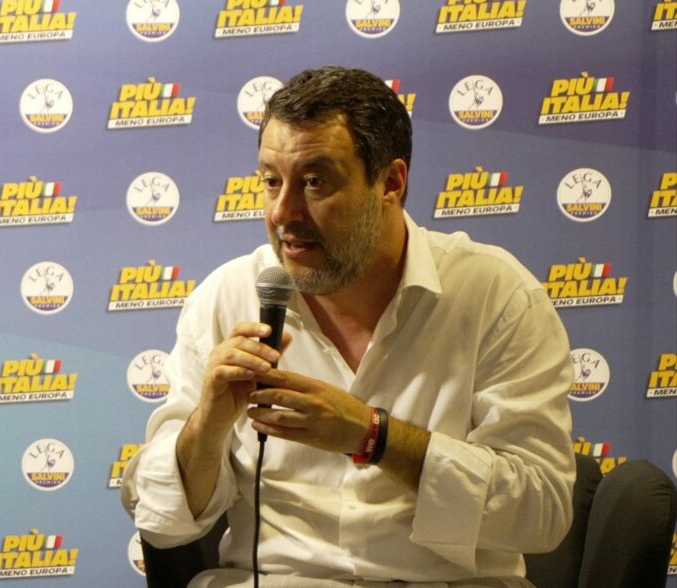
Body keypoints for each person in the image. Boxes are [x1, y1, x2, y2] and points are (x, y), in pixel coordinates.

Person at [122, 66, 575, 588]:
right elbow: (159, 520)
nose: (283, 212)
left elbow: (541, 510)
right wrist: (208, 423)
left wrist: (373, 435)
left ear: (391, 183)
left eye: (315, 182)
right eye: (271, 181)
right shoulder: (227, 296)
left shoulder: (496, 296)